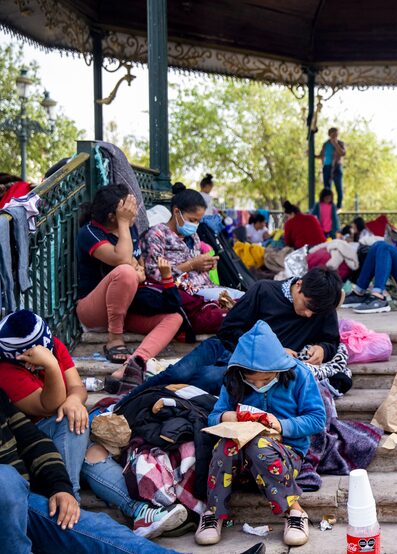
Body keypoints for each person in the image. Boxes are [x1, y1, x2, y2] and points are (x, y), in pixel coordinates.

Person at [0, 310, 189, 538]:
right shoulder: (6, 370)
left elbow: (77, 389)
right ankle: (72, 505)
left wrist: (74, 400)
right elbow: (50, 405)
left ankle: (140, 510)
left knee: (91, 448)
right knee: (73, 424)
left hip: (66, 439)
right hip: (34, 447)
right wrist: (51, 368)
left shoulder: (51, 345)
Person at [195, 321, 325, 547]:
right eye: (251, 380)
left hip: (285, 453)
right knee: (226, 446)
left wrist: (282, 425)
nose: (258, 385)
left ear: (280, 368)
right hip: (239, 458)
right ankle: (214, 514)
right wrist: (227, 417)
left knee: (259, 445)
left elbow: (317, 419)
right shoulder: (233, 378)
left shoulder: (299, 375)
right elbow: (213, 417)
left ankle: (295, 512)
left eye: (266, 380)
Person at [121, 267, 343, 398]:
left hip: (251, 369)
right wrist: (272, 350)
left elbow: (332, 341)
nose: (307, 315)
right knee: (179, 372)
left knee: (207, 377)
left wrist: (322, 349)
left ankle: (156, 396)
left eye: (315, 312)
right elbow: (229, 330)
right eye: (306, 305)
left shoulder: (322, 308)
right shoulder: (264, 290)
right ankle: (127, 400)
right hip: (225, 347)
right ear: (299, 285)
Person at [74, 185, 183, 387]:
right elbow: (123, 260)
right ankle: (115, 340)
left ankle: (133, 364)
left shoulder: (129, 227)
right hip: (93, 312)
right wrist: (124, 225)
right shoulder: (89, 233)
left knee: (174, 318)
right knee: (125, 272)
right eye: (128, 208)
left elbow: (137, 260)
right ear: (112, 216)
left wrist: (139, 270)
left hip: (126, 308)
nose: (134, 210)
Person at [141, 183, 243, 302]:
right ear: (176, 212)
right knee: (244, 302)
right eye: (192, 220)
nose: (195, 225)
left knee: (248, 296)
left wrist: (206, 265)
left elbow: (195, 265)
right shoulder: (156, 235)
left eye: (198, 221)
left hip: (208, 287)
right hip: (187, 293)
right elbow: (155, 276)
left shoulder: (193, 235)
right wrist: (192, 265)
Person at [316, 127, 346, 208]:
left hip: (336, 167)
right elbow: (321, 155)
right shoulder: (325, 144)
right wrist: (312, 155)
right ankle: (328, 206)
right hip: (326, 167)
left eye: (336, 134)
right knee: (327, 189)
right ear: (329, 135)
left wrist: (335, 144)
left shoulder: (340, 143)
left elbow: (343, 153)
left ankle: (339, 206)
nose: (335, 136)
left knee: (339, 187)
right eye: (333, 134)